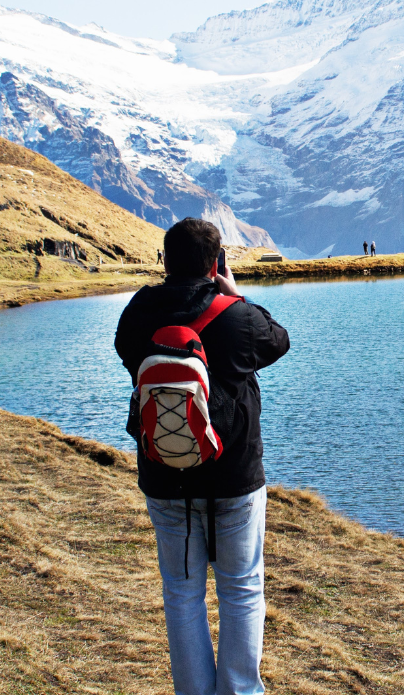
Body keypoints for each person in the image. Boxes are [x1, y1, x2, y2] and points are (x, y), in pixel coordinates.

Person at [115, 218, 290, 695]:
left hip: (164, 474)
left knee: (181, 592)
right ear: (216, 264)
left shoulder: (138, 312)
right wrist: (236, 295)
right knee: (241, 587)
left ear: (165, 261)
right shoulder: (237, 315)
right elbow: (279, 341)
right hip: (233, 476)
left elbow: (127, 355)